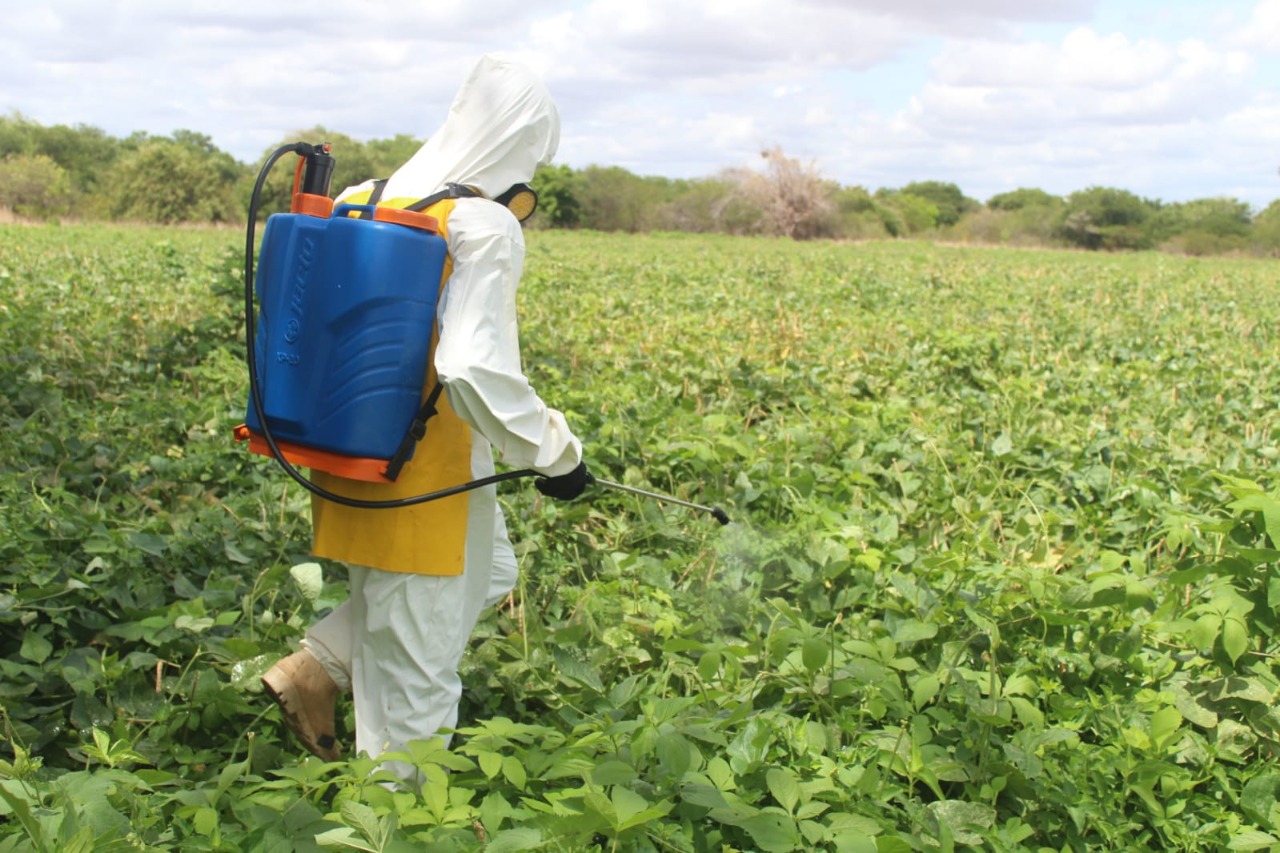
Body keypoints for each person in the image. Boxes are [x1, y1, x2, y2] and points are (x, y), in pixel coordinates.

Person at [260, 54, 589, 781]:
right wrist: (556, 454)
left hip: (352, 467)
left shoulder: (359, 196)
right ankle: (392, 817)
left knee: (491, 566)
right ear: (513, 148)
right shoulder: (481, 222)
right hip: (425, 485)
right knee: (413, 697)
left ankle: (317, 666)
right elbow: (472, 367)